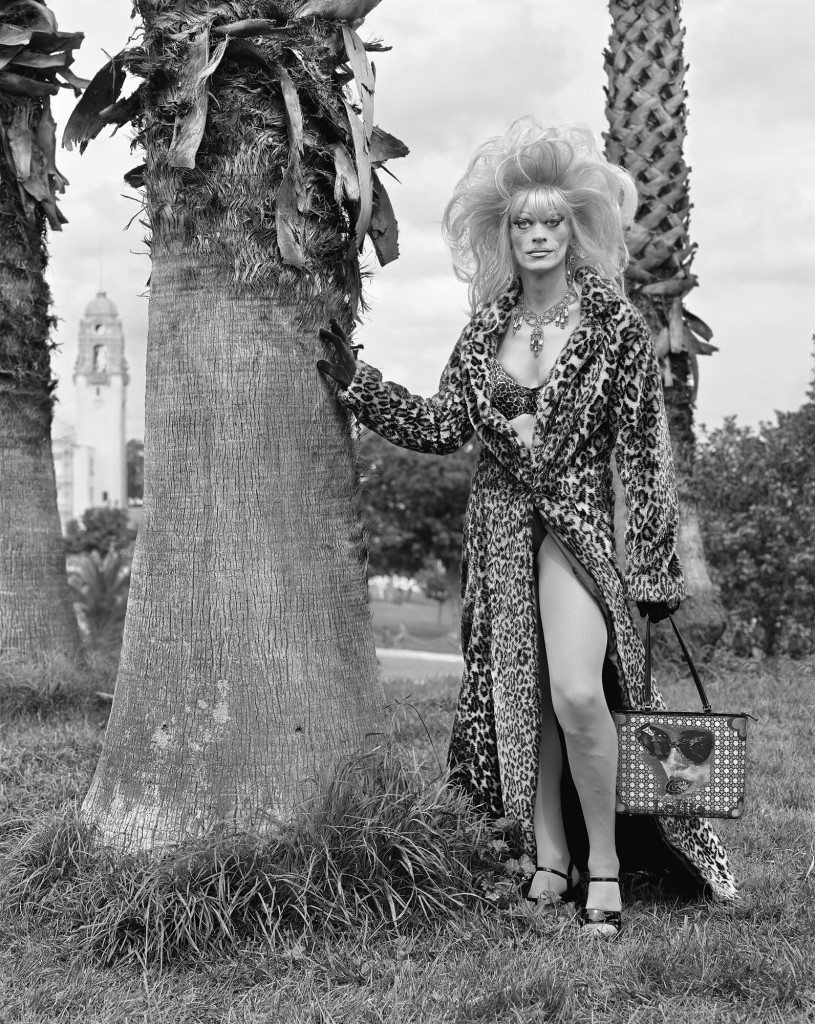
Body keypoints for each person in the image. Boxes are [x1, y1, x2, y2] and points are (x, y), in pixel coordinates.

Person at [318, 119, 736, 936]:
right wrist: (357, 383)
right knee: (525, 699)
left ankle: (607, 866)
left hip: (577, 529)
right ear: (501, 234)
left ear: (575, 229)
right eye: (522, 224)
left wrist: (650, 571)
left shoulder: (613, 325)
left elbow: (642, 452)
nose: (538, 236)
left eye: (552, 222)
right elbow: (444, 426)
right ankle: (551, 858)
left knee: (580, 692)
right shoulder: (483, 331)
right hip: (501, 528)